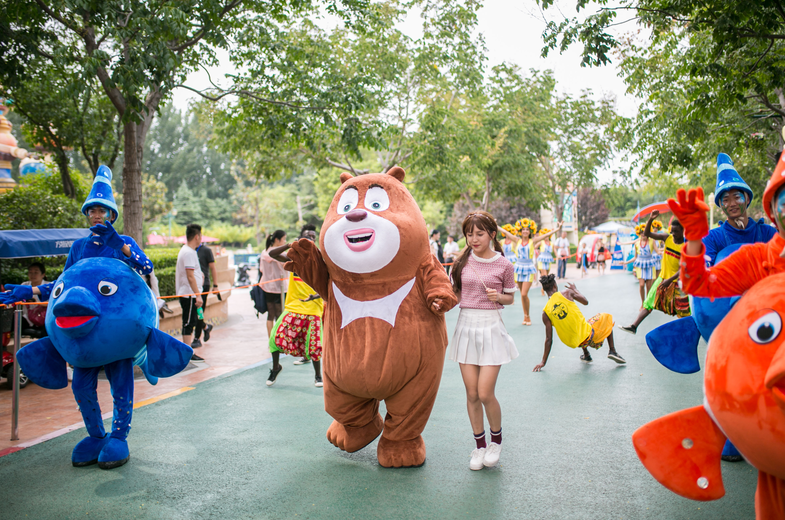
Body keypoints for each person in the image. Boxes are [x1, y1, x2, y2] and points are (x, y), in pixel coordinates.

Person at [0, 165, 152, 305]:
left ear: (112, 216)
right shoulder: (79, 246)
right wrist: (30, 290)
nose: (96, 215)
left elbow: (146, 267)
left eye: (102, 211)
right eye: (92, 211)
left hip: (118, 312)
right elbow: (66, 281)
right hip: (86, 311)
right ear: (87, 215)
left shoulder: (124, 241)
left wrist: (122, 247)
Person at [448, 211, 517, 471]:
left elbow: (510, 298)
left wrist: (498, 297)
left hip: (491, 328)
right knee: (472, 393)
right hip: (466, 326)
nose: (474, 239)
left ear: (492, 234)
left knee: (486, 393)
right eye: (469, 234)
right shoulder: (461, 263)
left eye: (479, 234)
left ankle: (495, 442)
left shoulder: (504, 265)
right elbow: (455, 295)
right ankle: (479, 446)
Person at [267, 224, 324, 387]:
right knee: (275, 337)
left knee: (314, 343)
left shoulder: (320, 261)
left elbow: (328, 285)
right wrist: (289, 245)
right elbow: (272, 254)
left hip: (313, 308)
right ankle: (276, 368)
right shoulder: (294, 260)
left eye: (312, 237)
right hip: (293, 307)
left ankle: (318, 376)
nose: (310, 239)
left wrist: (314, 296)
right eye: (306, 237)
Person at [534, 274, 625, 370]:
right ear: (555, 286)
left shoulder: (545, 313)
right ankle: (612, 350)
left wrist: (543, 362)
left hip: (574, 342)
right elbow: (585, 302)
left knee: (578, 325)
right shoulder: (566, 293)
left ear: (544, 290)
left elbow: (548, 339)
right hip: (588, 334)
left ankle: (586, 354)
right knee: (605, 317)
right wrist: (575, 289)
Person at [619, 211, 689, 335]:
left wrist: (669, 280)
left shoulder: (686, 247)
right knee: (648, 303)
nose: (673, 233)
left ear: (683, 231)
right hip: (662, 278)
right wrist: (650, 219)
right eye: (672, 231)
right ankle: (634, 326)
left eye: (676, 231)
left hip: (677, 283)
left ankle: (687, 333)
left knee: (683, 311)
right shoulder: (667, 238)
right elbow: (647, 234)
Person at [701, 153, 777, 266]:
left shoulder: (768, 233)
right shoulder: (712, 238)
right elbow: (705, 273)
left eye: (737, 197)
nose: (732, 204)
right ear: (720, 204)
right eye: (726, 200)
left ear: (747, 199)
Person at [500, 220, 562, 326]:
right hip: (518, 268)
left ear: (530, 231)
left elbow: (546, 235)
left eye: (527, 229)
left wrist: (557, 229)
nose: (525, 231)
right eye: (523, 229)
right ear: (520, 231)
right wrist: (494, 224)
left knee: (524, 293)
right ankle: (525, 316)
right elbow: (506, 232)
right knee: (522, 294)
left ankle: (528, 316)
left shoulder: (533, 241)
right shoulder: (517, 240)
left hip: (528, 268)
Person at [175, 224, 205, 360]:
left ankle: (188, 352)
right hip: (189, 294)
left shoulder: (190, 251)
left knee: (191, 322)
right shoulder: (188, 252)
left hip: (190, 294)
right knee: (188, 323)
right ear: (197, 236)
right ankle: (188, 353)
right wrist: (197, 295)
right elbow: (190, 276)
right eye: (201, 236)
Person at [259, 230, 290, 352]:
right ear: (277, 240)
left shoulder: (264, 252)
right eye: (284, 239)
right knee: (280, 315)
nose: (285, 241)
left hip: (267, 287)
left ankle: (271, 341)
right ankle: (279, 342)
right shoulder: (279, 254)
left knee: (270, 315)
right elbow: (287, 266)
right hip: (280, 288)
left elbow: (261, 270)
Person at [192, 243, 218, 348]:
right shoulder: (189, 251)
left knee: (199, 312)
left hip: (204, 285)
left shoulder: (206, 250)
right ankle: (206, 327)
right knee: (193, 314)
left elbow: (213, 268)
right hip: (192, 286)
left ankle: (197, 338)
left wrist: (215, 285)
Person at [623, 233, 657, 307]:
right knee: (641, 285)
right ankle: (642, 302)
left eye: (645, 232)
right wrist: (626, 262)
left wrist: (666, 252)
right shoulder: (637, 243)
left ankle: (647, 303)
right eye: (641, 232)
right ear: (639, 233)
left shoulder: (652, 241)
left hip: (649, 264)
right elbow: (635, 257)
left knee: (648, 286)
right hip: (640, 265)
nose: (643, 234)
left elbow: (658, 251)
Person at [19, 262, 47, 338]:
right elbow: (19, 299)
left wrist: (37, 302)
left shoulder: (48, 286)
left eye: (36, 272)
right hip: (27, 317)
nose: (32, 275)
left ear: (43, 274)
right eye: (30, 272)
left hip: (44, 318)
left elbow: (52, 302)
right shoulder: (24, 285)